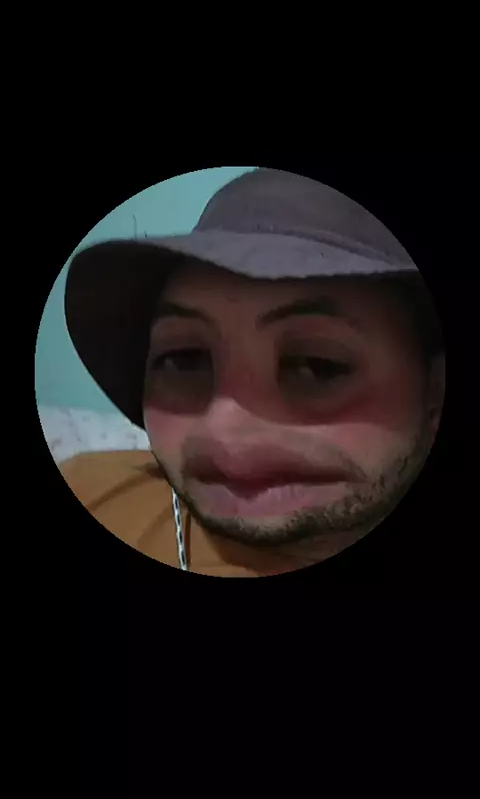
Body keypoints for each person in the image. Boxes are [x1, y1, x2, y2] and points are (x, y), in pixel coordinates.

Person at [59, 168, 445, 577]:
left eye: (317, 366)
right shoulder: (91, 491)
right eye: (184, 359)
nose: (224, 430)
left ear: (435, 392)